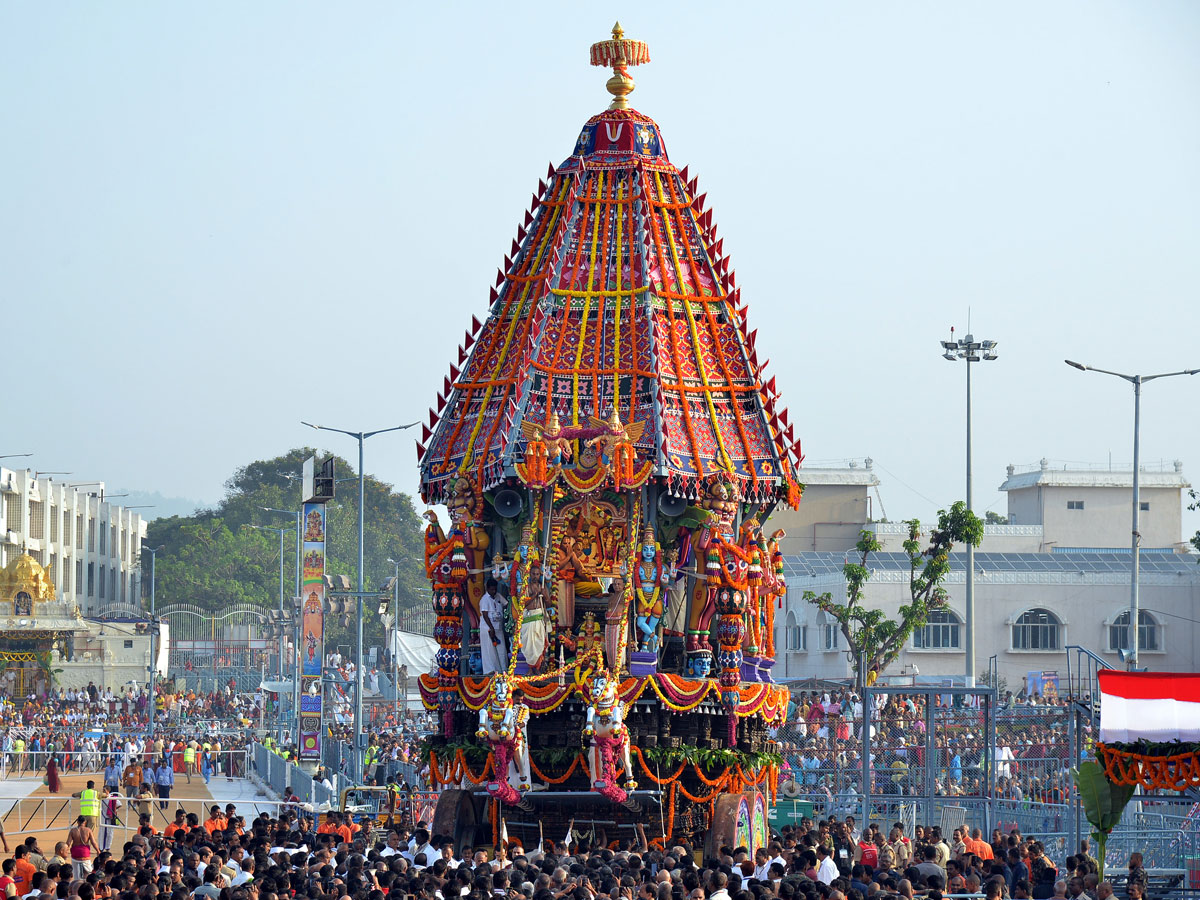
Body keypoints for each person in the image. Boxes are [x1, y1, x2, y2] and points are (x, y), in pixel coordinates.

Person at [480, 577, 508, 675]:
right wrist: (491, 628)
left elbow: (506, 604)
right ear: (487, 589)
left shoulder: (498, 596)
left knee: (501, 650)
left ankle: (503, 670)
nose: (493, 591)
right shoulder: (484, 599)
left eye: (495, 589)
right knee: (489, 651)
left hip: (498, 627)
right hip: (488, 628)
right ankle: (490, 671)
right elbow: (485, 615)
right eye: (491, 589)